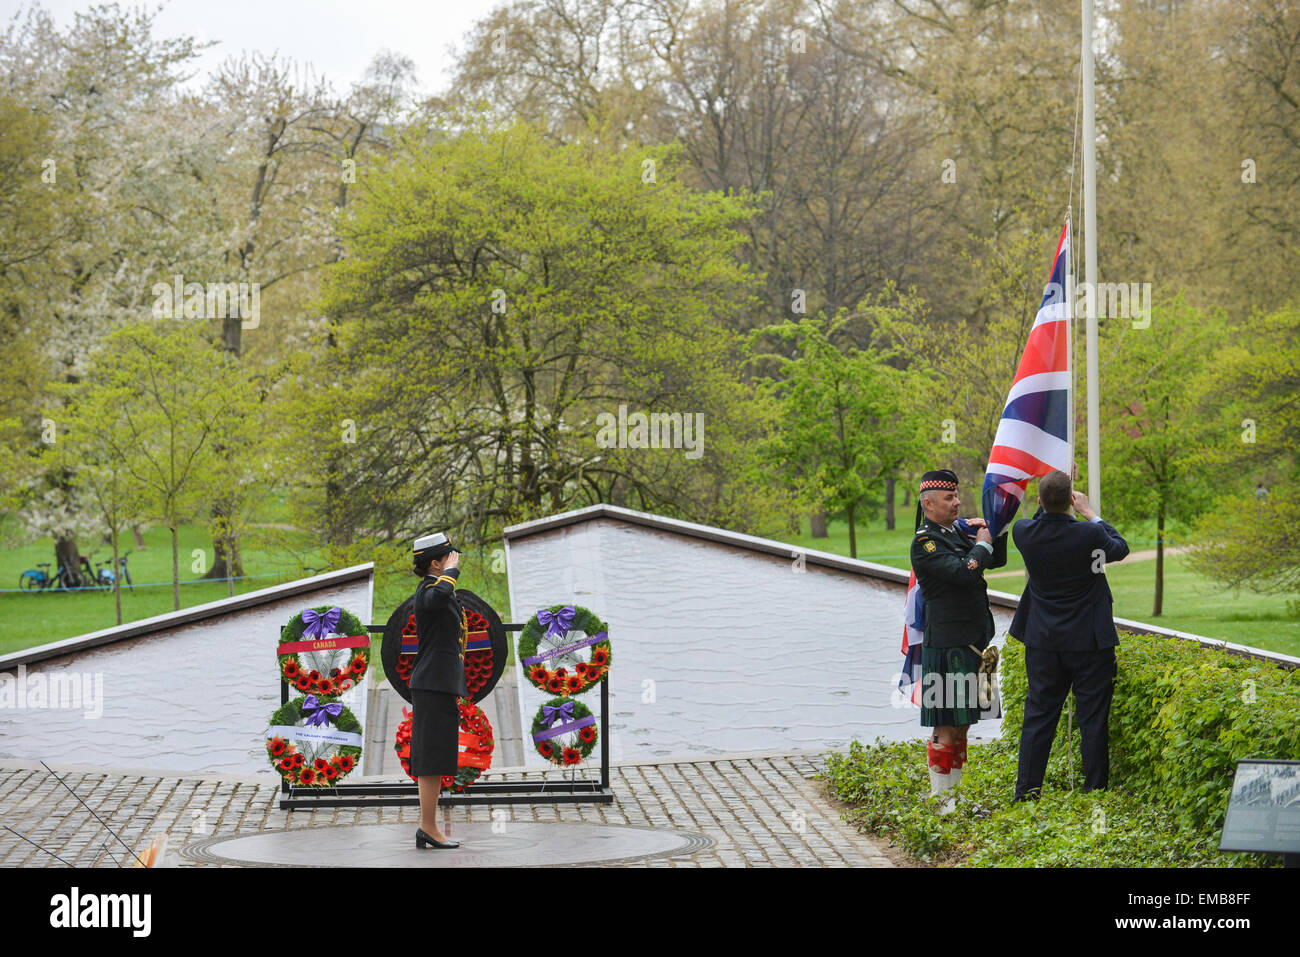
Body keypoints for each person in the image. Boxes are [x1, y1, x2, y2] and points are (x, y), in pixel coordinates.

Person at [1008, 470, 1129, 801]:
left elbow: (1039, 519)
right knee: (1092, 718)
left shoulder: (1023, 533)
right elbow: (1120, 548)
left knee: (1038, 717)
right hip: (1088, 641)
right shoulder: (1089, 535)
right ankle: (1095, 794)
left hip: (1044, 642)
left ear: (1040, 502)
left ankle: (1027, 794)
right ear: (1071, 503)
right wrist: (1090, 513)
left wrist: (1053, 497)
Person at [909, 469, 1007, 812]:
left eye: (956, 496)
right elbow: (964, 572)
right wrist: (981, 542)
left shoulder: (956, 532)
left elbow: (995, 558)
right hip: (948, 644)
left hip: (974, 643)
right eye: (949, 498)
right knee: (945, 725)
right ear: (929, 504)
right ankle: (941, 803)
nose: (957, 502)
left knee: (964, 723)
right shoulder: (926, 542)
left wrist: (997, 527)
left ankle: (955, 798)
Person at [409, 531, 470, 849]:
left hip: (438, 684)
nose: (455, 561)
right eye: (449, 557)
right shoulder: (429, 591)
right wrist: (451, 572)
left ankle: (427, 827)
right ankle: (428, 827)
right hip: (432, 684)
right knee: (431, 759)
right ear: (436, 563)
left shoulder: (436, 589)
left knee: (433, 758)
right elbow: (439, 596)